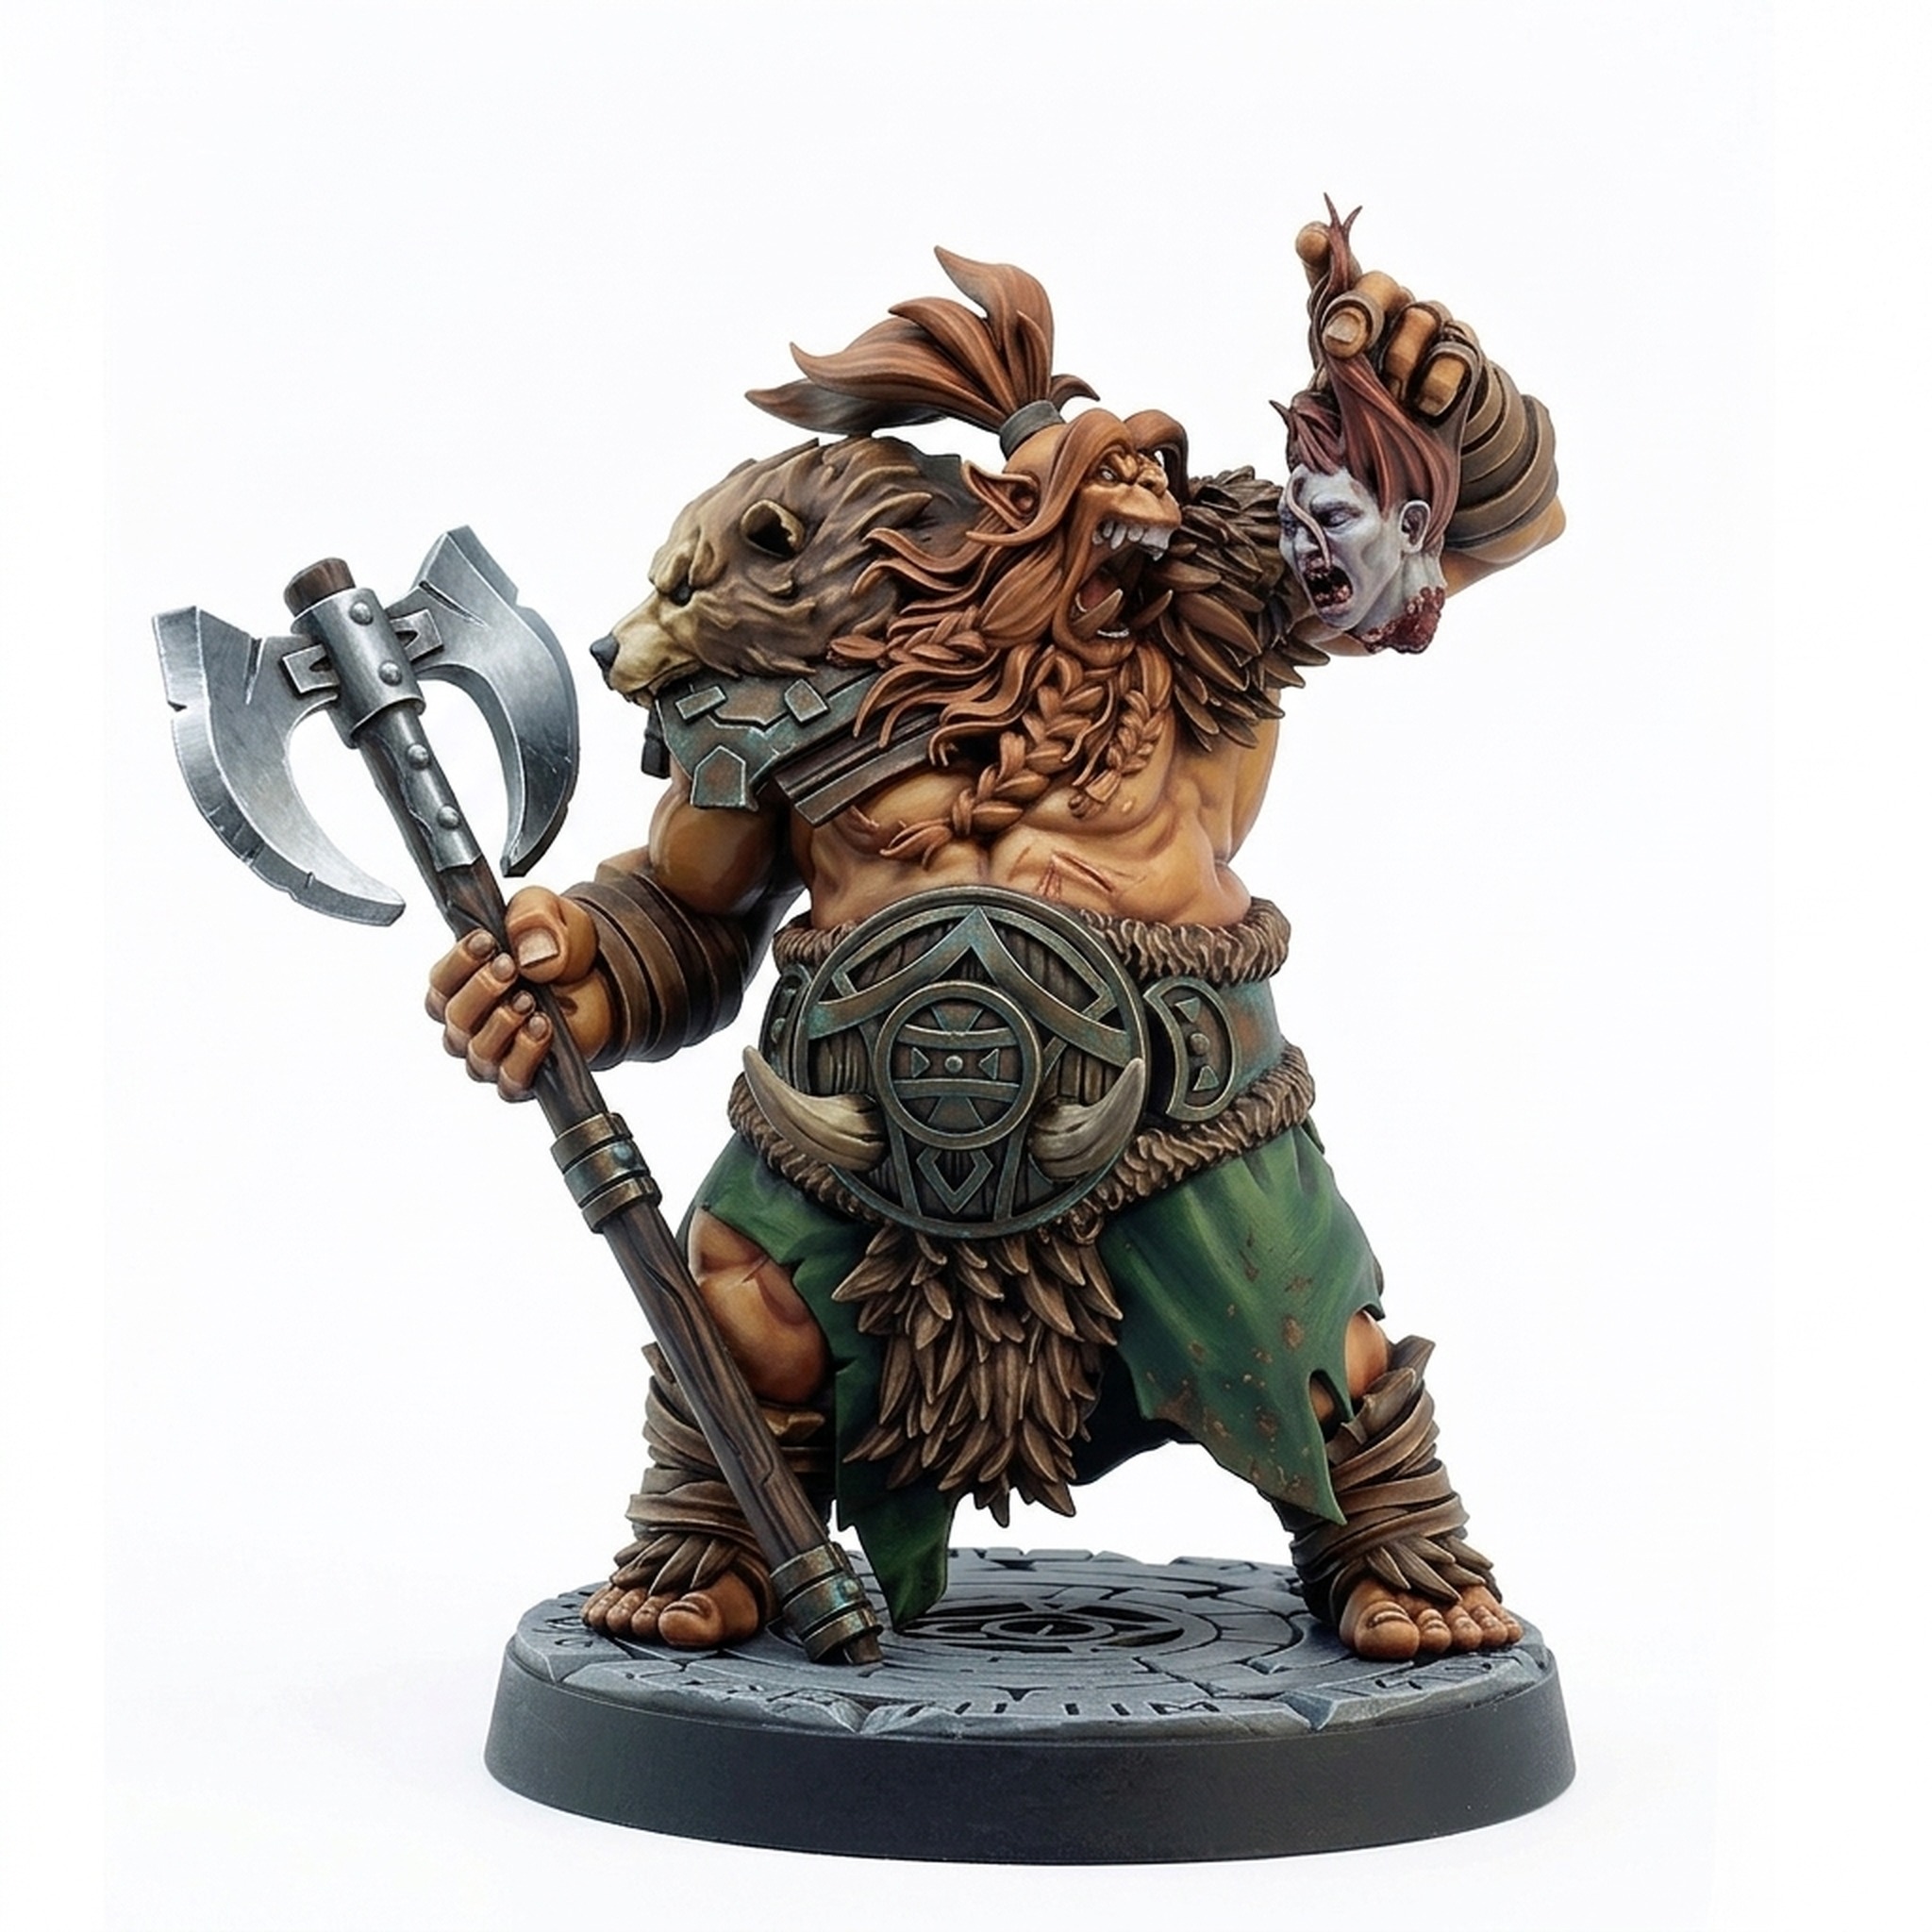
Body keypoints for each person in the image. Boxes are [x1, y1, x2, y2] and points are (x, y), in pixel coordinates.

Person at [428, 226, 1561, 1663]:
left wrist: (1449, 415)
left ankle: (1386, 1533)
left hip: (1183, 1122)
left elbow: (1460, 535)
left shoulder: (1199, 626)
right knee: (749, 1309)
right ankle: (718, 1524)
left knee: (1306, 1334)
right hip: (853, 1138)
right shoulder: (785, 686)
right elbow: (688, 911)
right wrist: (574, 971)